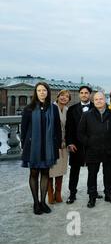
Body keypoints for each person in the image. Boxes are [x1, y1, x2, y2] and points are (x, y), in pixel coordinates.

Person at [21, 82, 62, 215]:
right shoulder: (28, 108)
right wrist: (24, 145)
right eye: (39, 90)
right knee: (33, 173)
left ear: (48, 92)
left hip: (48, 147)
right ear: (35, 92)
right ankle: (35, 203)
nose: (42, 92)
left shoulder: (53, 108)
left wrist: (57, 144)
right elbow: (24, 129)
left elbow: (57, 128)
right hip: (33, 147)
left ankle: (43, 202)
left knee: (45, 173)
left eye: (44, 90)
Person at [78, 92, 111, 208]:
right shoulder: (87, 115)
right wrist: (89, 143)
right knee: (92, 175)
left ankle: (109, 194)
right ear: (93, 101)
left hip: (109, 150)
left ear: (104, 100)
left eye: (101, 99)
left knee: (109, 174)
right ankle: (92, 196)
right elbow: (80, 133)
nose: (99, 101)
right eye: (96, 99)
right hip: (93, 150)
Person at [66, 86, 94, 204]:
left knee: (93, 170)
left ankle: (92, 193)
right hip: (76, 144)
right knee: (74, 170)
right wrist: (70, 142)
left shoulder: (96, 107)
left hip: (92, 144)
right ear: (79, 95)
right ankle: (72, 193)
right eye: (82, 93)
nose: (84, 95)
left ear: (90, 94)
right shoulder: (72, 109)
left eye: (86, 93)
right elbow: (69, 128)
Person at [48, 90, 70, 204]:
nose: (64, 98)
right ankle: (50, 193)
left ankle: (58, 193)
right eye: (62, 95)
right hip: (52, 143)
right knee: (51, 169)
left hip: (64, 144)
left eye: (67, 97)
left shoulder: (67, 110)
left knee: (61, 168)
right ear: (58, 97)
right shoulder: (51, 108)